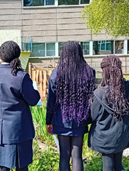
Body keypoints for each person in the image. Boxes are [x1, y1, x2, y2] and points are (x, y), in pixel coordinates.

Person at [0, 41, 41, 171]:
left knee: (1, 167)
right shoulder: (21, 76)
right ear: (17, 56)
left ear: (0, 57)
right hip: (19, 131)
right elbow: (33, 100)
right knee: (21, 167)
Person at [46, 41, 95, 171]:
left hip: (61, 119)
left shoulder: (56, 73)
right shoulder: (89, 72)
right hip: (80, 118)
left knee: (64, 155)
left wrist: (48, 121)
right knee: (77, 155)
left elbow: (51, 100)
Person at [87, 55, 129, 171]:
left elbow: (92, 116)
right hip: (122, 135)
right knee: (118, 165)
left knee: (108, 166)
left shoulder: (99, 93)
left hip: (104, 137)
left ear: (104, 71)